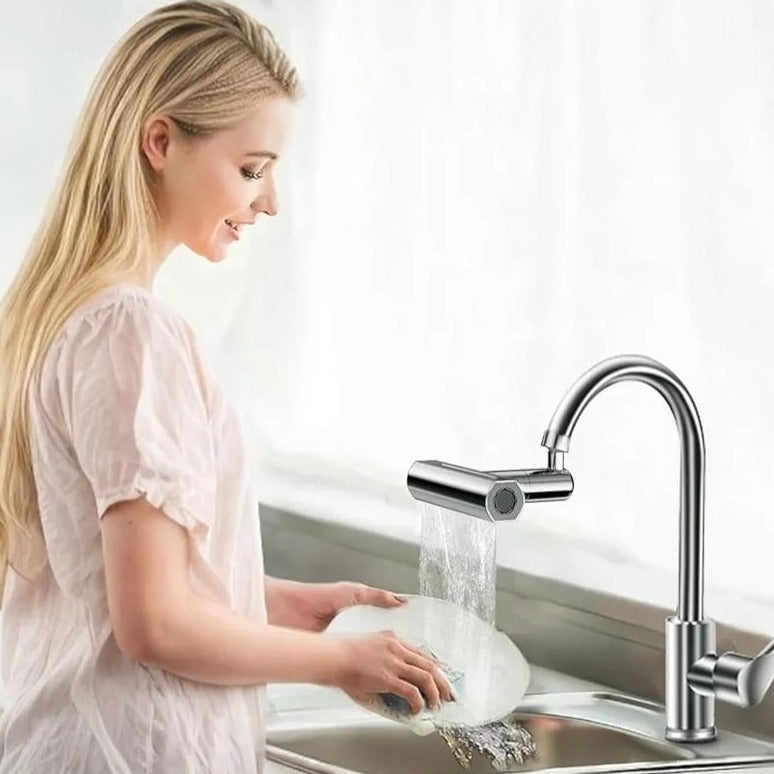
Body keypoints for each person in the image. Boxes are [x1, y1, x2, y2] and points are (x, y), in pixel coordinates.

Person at [0, 2, 452, 771]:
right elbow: (156, 627)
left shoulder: (55, 315)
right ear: (160, 141)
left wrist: (277, 603)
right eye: (251, 170)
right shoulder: (131, 333)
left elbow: (115, 584)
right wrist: (341, 663)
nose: (268, 203)